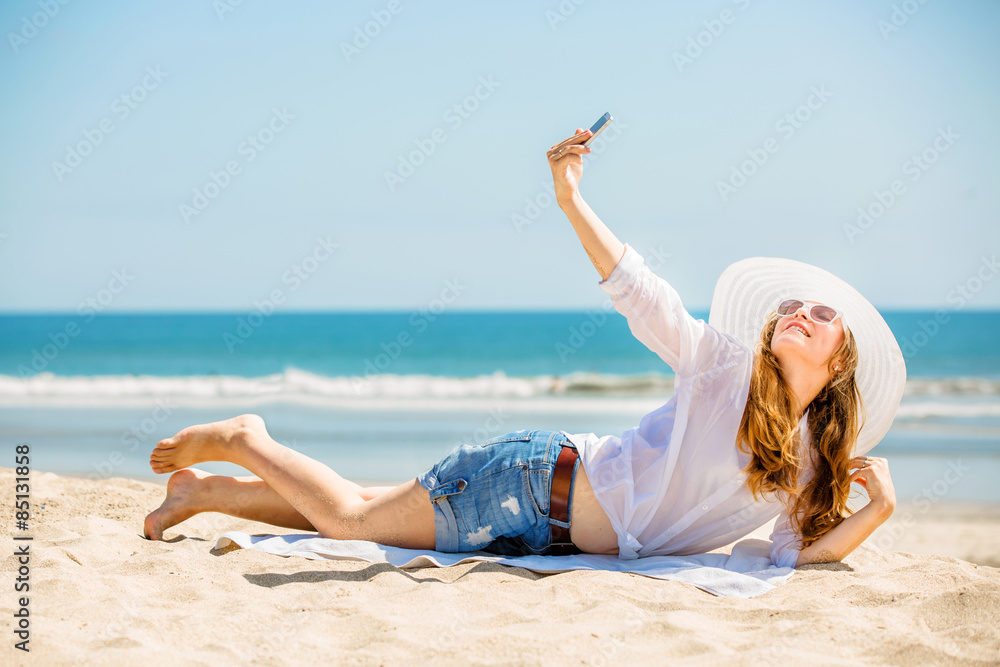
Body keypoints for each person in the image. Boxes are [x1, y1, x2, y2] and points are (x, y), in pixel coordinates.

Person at [144, 127, 906, 569]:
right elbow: (644, 294)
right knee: (350, 521)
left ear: (839, 360)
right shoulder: (724, 369)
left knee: (371, 509)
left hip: (552, 526)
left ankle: (203, 492)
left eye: (822, 312)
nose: (801, 312)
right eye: (792, 305)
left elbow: (792, 558)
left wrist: (881, 508)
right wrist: (572, 198)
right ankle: (248, 438)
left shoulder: (805, 462)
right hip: (535, 481)